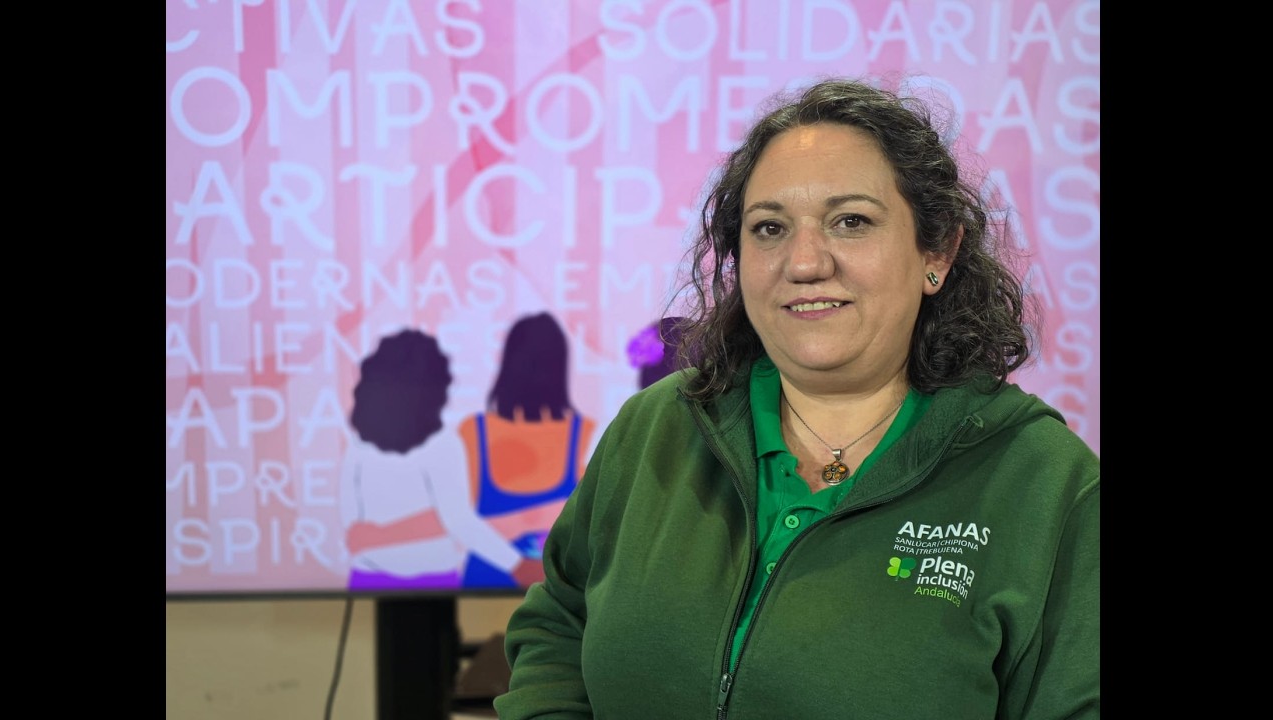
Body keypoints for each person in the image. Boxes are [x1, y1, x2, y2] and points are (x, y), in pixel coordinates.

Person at [494, 77, 1099, 719]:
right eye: (770, 228)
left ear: (938, 252)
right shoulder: (654, 429)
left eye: (851, 221)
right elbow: (560, 626)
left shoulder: (1047, 484)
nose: (804, 263)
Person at [339, 328, 543, 591]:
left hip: (376, 577)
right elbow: (457, 520)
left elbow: (359, 534)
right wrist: (517, 564)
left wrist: (380, 535)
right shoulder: (442, 444)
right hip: (430, 581)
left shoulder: (358, 447)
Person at [456, 311, 597, 588]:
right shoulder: (587, 432)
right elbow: (459, 521)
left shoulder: (587, 433)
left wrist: (513, 524)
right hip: (502, 586)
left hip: (543, 588)